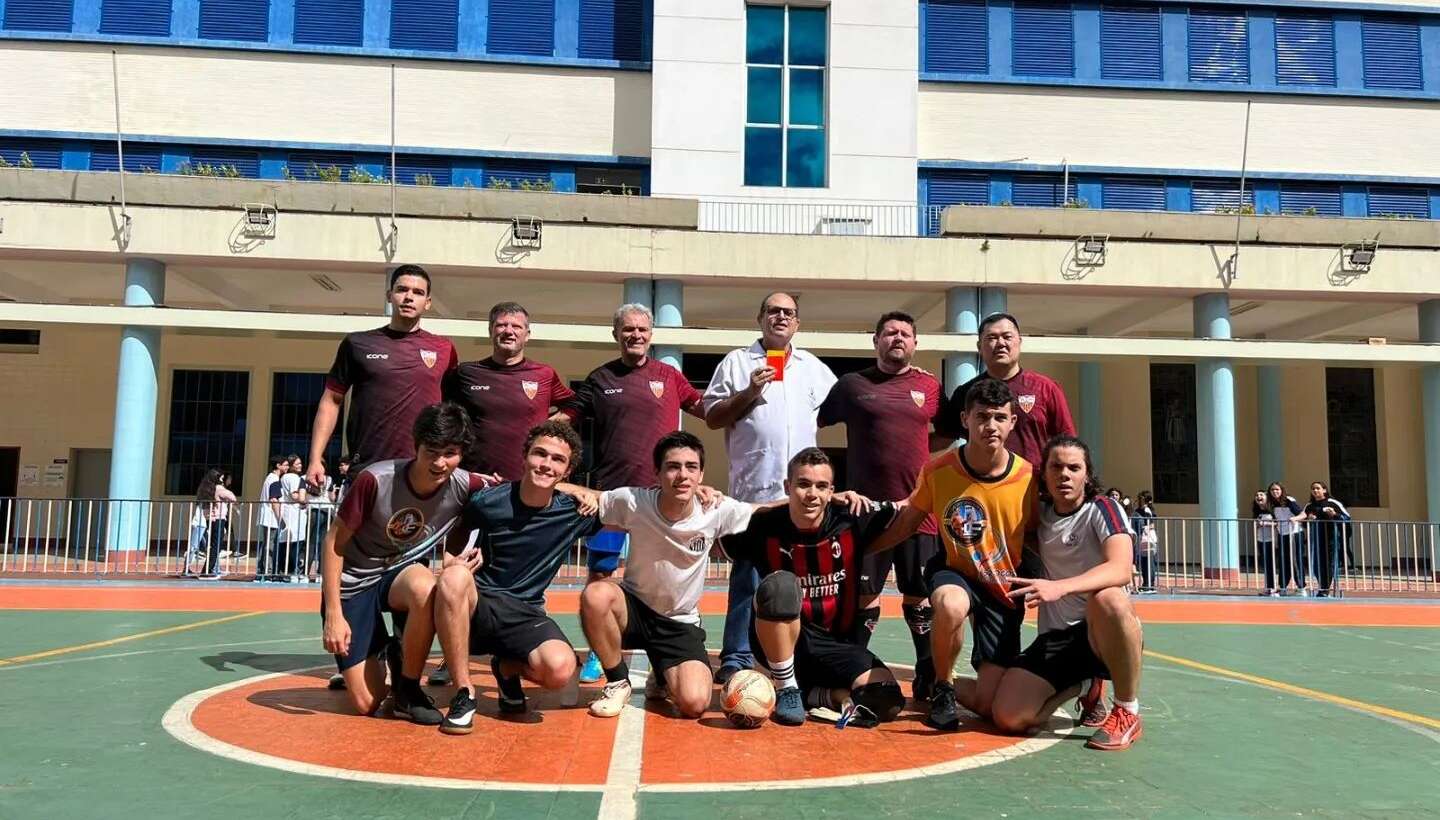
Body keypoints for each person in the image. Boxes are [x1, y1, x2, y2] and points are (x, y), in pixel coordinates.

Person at [867, 378, 1038, 731]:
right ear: (965, 419)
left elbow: (1040, 536)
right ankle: (944, 686)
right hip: (954, 571)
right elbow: (908, 523)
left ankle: (932, 676)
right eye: (981, 416)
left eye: (998, 417)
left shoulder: (1028, 477)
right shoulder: (939, 470)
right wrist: (863, 552)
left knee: (989, 704)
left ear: (1012, 422)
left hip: (1002, 587)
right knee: (949, 604)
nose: (989, 425)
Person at [564, 303, 707, 684]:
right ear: (616, 334)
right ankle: (601, 654)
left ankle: (666, 653)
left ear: (651, 334)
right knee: (600, 576)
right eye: (628, 329)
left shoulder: (669, 376)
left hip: (661, 503)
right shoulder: (599, 378)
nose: (636, 335)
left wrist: (749, 400)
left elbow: (709, 411)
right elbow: (567, 421)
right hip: (612, 499)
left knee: (662, 578)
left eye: (642, 329)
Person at [320, 402, 487, 724]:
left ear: (462, 452)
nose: (439, 463)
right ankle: (388, 649)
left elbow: (527, 489)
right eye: (431, 451)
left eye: (450, 453)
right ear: (416, 446)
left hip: (400, 573)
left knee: (426, 586)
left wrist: (579, 491)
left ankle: (408, 689)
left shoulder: (466, 484)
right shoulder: (375, 480)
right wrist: (333, 614)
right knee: (367, 702)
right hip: (354, 579)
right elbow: (332, 543)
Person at [433, 421, 602, 735]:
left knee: (560, 669)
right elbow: (457, 535)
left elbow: (637, 502)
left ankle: (506, 668)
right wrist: (451, 562)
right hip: (479, 603)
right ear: (525, 456)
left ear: (567, 471)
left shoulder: (574, 511)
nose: (546, 464)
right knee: (454, 577)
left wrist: (700, 493)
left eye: (557, 460)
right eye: (540, 454)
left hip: (526, 612)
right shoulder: (489, 501)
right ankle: (464, 692)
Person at [704, 291, 837, 685]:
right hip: (754, 493)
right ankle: (736, 656)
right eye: (774, 311)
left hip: (802, 497)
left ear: (797, 323)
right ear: (760, 317)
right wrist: (749, 392)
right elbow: (712, 417)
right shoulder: (736, 362)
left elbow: (844, 406)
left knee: (803, 580)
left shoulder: (813, 367)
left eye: (789, 313)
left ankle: (795, 658)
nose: (781, 317)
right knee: (747, 576)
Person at [721, 448, 905, 728]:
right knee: (782, 585)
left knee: (886, 700)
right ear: (787, 486)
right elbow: (716, 529)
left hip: (834, 644)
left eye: (821, 486)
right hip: (783, 638)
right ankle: (786, 687)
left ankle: (818, 694)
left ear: (832, 490)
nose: (812, 494)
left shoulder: (851, 517)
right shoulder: (764, 526)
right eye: (803, 484)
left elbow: (908, 509)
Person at [577, 431, 753, 719]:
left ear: (701, 475)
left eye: (691, 467)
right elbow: (591, 497)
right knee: (596, 594)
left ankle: (660, 673)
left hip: (679, 621)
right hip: (633, 609)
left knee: (694, 703)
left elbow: (765, 513)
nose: (682, 475)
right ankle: (617, 681)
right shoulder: (632, 502)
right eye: (673, 466)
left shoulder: (716, 510)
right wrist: (552, 483)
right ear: (657, 473)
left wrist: (825, 499)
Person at [817, 310, 945, 699]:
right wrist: (831, 485)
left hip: (917, 509)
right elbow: (813, 426)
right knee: (863, 594)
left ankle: (927, 671)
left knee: (919, 594)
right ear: (876, 341)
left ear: (915, 343)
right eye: (890, 333)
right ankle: (853, 665)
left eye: (905, 333)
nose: (898, 339)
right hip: (864, 513)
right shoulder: (852, 386)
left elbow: (952, 430)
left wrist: (920, 461)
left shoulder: (931, 386)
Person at [989, 435, 1146, 752]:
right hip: (1057, 638)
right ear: (1043, 473)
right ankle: (1082, 685)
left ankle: (1127, 710)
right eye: (1056, 466)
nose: (1065, 474)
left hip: (1098, 632)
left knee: (1110, 597)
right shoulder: (1039, 515)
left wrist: (1058, 587)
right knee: (1008, 717)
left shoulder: (1102, 509)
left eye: (1074, 467)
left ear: (1087, 474)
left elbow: (1120, 568)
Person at [307, 264, 458, 486]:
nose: (409, 297)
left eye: (417, 293)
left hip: (425, 471)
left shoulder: (444, 348)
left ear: (427, 303)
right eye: (402, 290)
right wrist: (315, 459)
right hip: (368, 469)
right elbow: (331, 401)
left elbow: (455, 410)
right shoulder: (357, 343)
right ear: (389, 296)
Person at [445, 301, 578, 481]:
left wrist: (546, 427)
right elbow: (446, 416)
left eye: (516, 326)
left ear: (527, 334)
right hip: (476, 479)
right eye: (501, 325)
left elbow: (575, 405)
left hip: (528, 482)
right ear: (490, 330)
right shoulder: (466, 373)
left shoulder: (543, 374)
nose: (509, 331)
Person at [935, 313, 1075, 468]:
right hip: (981, 485)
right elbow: (944, 438)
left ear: (1019, 342)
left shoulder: (1046, 388)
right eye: (992, 338)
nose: (1000, 343)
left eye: (1007, 337)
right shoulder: (966, 392)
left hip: (1032, 486)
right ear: (979, 347)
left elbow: (1067, 442)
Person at [1305, 482, 1350, 597]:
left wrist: (1334, 514)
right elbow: (1304, 522)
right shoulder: (1310, 505)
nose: (1315, 491)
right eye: (1313, 489)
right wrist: (1308, 520)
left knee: (1328, 563)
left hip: (1330, 537)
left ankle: (1325, 589)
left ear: (1324, 490)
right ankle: (1322, 586)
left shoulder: (1333, 503)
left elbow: (1346, 518)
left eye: (1318, 488)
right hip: (1315, 539)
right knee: (1316, 564)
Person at [1265, 483, 1307, 595]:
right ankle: (1283, 587)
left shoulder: (1289, 500)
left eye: (1277, 489)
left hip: (1294, 533)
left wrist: (1295, 518)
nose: (1275, 492)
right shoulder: (1272, 503)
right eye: (1272, 490)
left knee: (1295, 560)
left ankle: (1301, 587)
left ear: (1281, 490)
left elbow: (1302, 514)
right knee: (1283, 560)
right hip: (1282, 533)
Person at [195, 469, 236, 579]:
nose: (223, 480)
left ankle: (208, 569)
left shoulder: (205, 488)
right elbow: (232, 497)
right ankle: (207, 571)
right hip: (218, 518)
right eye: (222, 478)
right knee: (216, 545)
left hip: (209, 517)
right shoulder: (218, 488)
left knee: (213, 544)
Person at [256, 456, 289, 583]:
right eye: (285, 465)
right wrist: (280, 518)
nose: (286, 467)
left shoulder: (269, 478)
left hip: (267, 516)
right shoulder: (274, 479)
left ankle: (261, 572)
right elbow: (274, 500)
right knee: (270, 545)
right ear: (278, 465)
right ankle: (267, 573)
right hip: (271, 517)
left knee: (266, 544)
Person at [280, 455, 309, 583]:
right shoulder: (293, 478)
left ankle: (286, 570)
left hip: (289, 513)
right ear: (291, 465)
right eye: (297, 463)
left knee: (288, 543)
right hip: (294, 513)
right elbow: (295, 495)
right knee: (295, 544)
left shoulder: (284, 477)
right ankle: (293, 571)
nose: (300, 465)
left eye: (301, 463)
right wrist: (305, 499)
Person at [1132, 490, 1158, 594]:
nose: (1140, 500)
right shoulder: (1138, 510)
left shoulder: (1147, 510)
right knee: (1143, 562)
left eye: (1142, 498)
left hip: (1148, 538)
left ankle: (1150, 584)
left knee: (1149, 561)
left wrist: (1144, 527)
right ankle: (1145, 583)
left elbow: (1152, 524)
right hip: (1141, 538)